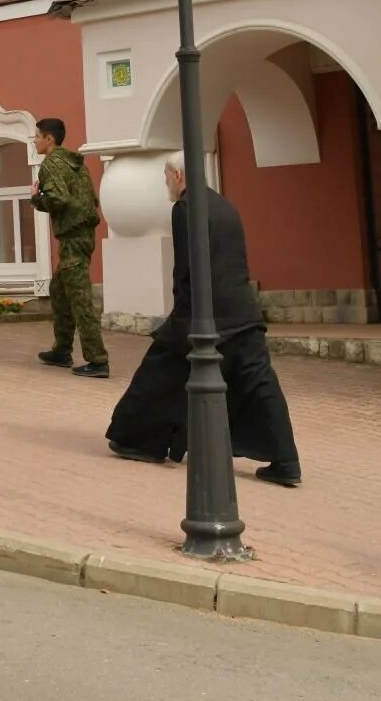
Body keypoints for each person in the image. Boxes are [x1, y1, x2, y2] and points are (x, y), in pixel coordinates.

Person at [105, 153, 299, 485]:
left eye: (166, 175)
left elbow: (187, 269)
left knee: (157, 374)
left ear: (179, 175)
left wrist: (182, 318)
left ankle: (136, 440)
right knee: (260, 385)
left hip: (205, 314)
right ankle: (287, 461)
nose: (165, 182)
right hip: (243, 311)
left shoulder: (185, 209)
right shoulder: (226, 207)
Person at [31, 118, 108, 378]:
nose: (35, 141)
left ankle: (97, 360)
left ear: (49, 139)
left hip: (73, 237)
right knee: (59, 292)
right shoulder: (74, 163)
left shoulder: (51, 164)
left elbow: (58, 199)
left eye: (37, 136)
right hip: (82, 234)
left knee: (80, 299)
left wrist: (36, 198)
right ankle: (62, 350)